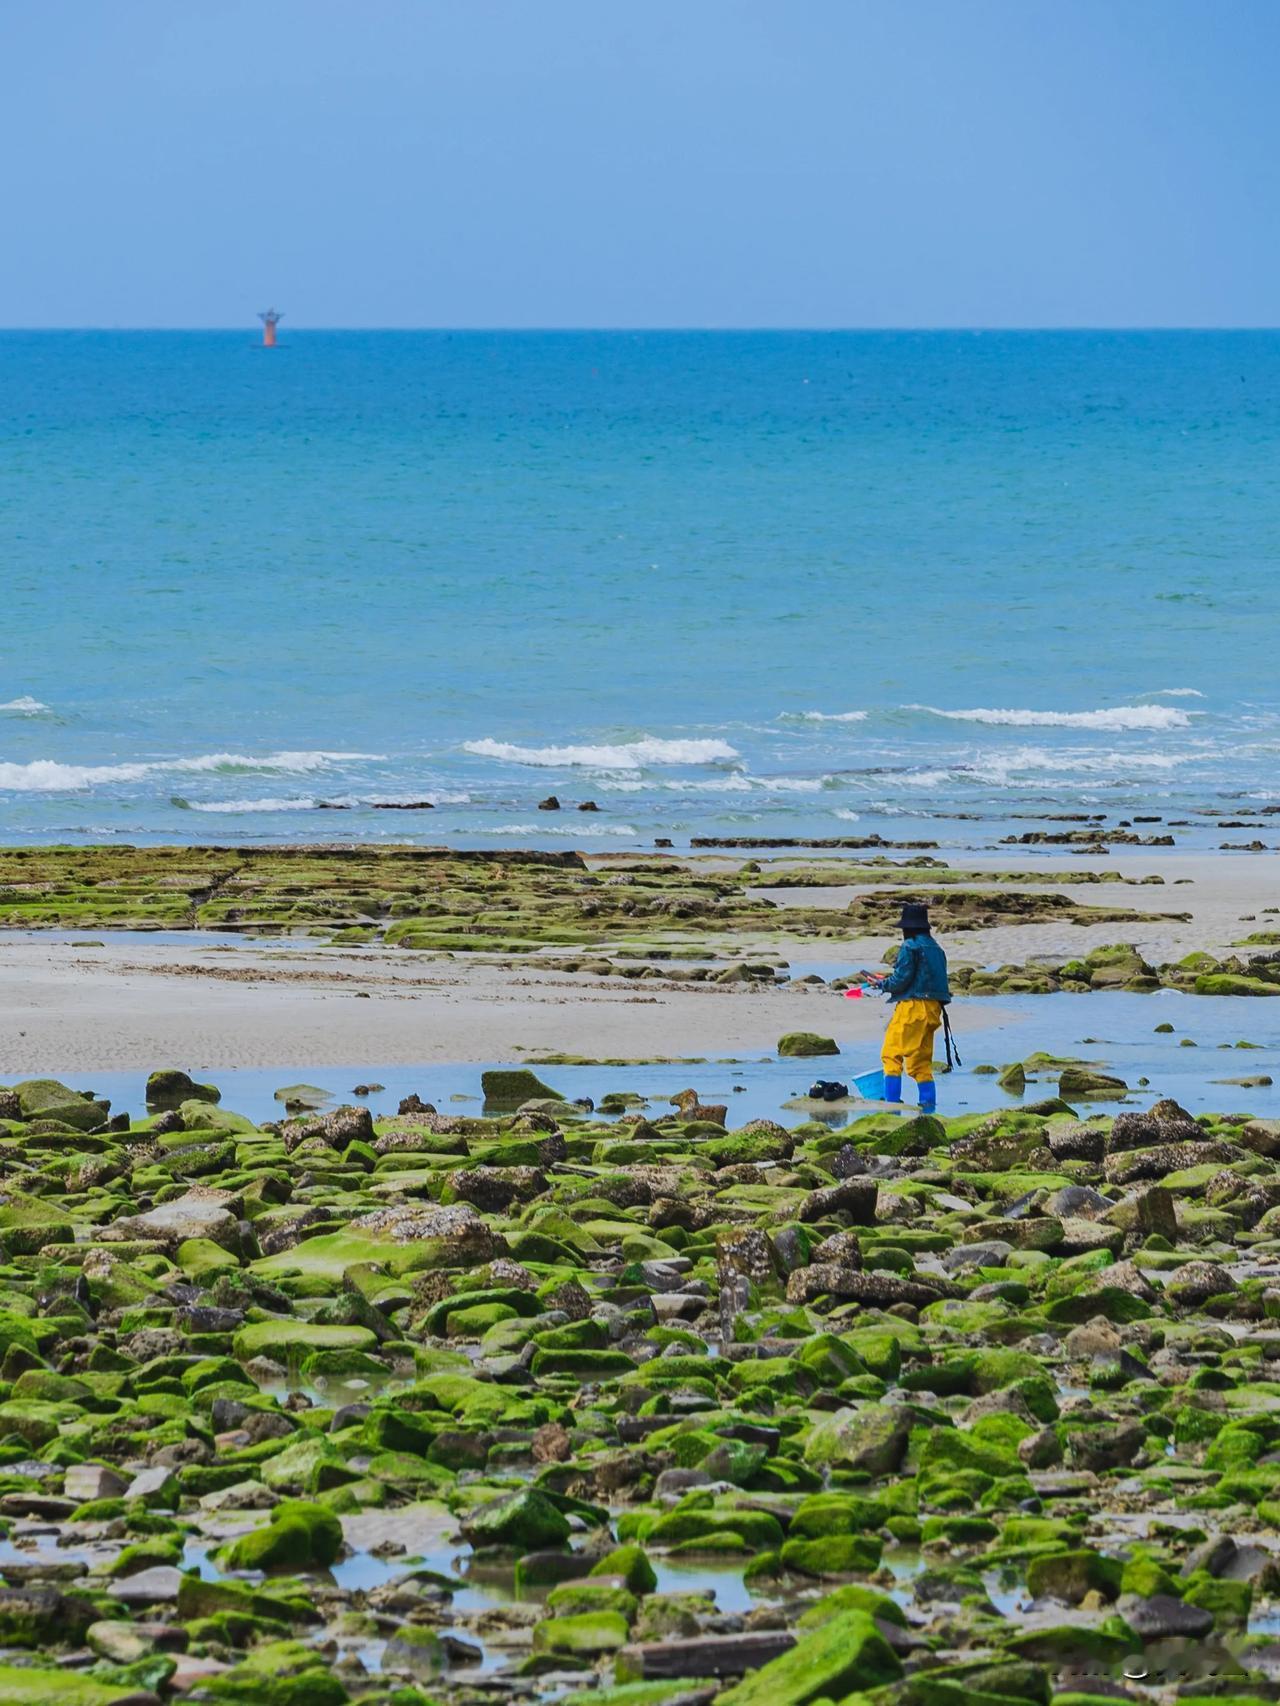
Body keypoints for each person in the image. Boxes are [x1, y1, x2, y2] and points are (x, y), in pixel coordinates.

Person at [866, 901, 950, 1112]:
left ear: (908, 928)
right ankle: (928, 1109)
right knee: (921, 1063)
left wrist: (882, 984)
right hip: (934, 1010)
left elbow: (901, 980)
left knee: (891, 1054)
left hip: (913, 1007)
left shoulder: (910, 946)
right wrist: (889, 981)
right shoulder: (937, 949)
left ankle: (892, 1106)